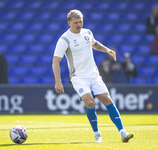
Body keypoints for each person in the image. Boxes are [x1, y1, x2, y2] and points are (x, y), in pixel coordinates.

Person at [52, 9, 133, 143]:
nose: (79, 25)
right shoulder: (64, 39)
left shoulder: (87, 32)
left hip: (94, 74)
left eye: (81, 21)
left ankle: (123, 132)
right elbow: (56, 60)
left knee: (107, 99)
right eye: (76, 22)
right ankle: (97, 134)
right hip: (78, 77)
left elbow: (94, 43)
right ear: (69, 23)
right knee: (90, 102)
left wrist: (107, 50)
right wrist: (58, 81)